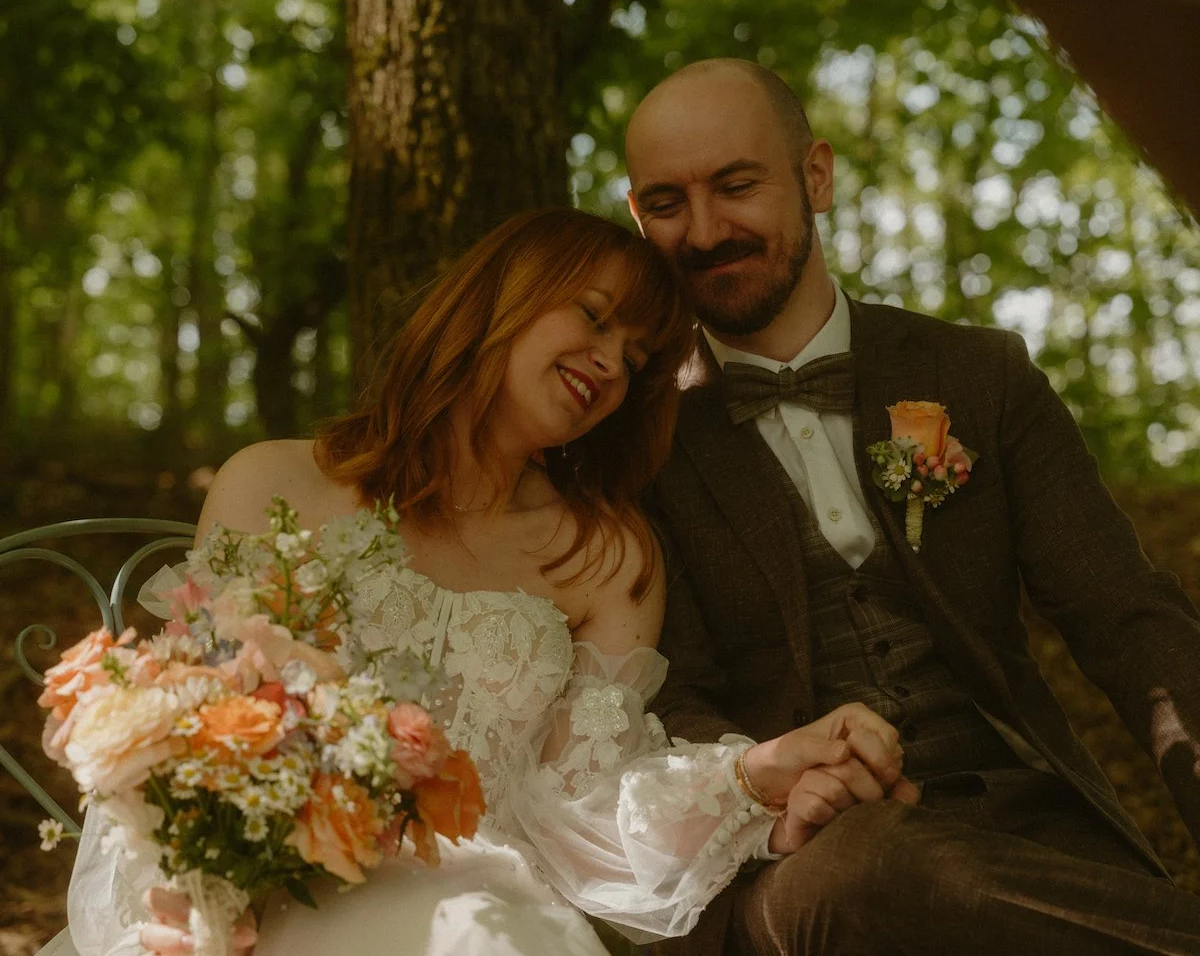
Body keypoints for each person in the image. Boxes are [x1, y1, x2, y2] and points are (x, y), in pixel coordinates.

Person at [63, 207, 917, 956]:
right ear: (500, 297)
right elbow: (172, 748)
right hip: (254, 908)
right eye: (592, 316)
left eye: (636, 356)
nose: (611, 363)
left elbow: (584, 816)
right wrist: (188, 901)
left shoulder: (605, 556)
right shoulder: (271, 484)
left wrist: (755, 775)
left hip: (475, 908)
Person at [625, 57, 1200, 955]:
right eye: (666, 204)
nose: (704, 232)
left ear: (815, 176)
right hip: (798, 857)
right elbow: (668, 699)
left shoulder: (980, 375)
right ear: (636, 217)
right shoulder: (637, 442)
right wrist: (768, 783)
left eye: (736, 186)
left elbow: (1127, 619)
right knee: (883, 869)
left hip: (1024, 816)